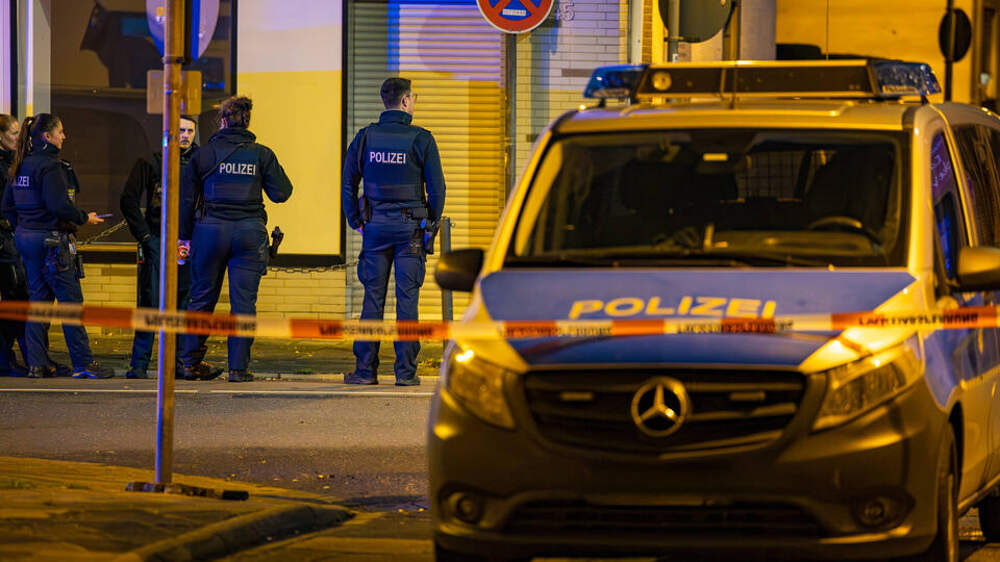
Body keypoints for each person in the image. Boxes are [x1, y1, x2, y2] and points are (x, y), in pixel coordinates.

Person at [178, 96, 292, 382]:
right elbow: (282, 193)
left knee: (201, 297)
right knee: (243, 304)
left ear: (223, 121)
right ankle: (239, 369)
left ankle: (190, 363)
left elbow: (186, 201)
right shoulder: (261, 154)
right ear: (247, 121)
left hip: (209, 232)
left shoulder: (203, 155)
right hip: (248, 233)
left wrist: (184, 237)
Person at [341, 77, 446, 386]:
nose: (414, 103)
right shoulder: (421, 139)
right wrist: (430, 222)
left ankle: (365, 371)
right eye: (413, 98)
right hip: (410, 231)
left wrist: (356, 220)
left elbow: (348, 184)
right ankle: (405, 373)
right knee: (407, 301)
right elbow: (437, 190)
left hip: (374, 229)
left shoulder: (365, 138)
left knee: (372, 300)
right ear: (404, 101)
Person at [1, 114, 114, 378]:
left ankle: (37, 363)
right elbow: (59, 206)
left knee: (38, 302)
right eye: (60, 132)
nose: (64, 136)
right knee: (70, 302)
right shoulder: (51, 166)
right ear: (47, 136)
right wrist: (84, 217)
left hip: (26, 240)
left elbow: (7, 207)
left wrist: (25, 227)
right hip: (52, 242)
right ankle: (83, 363)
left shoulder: (20, 164)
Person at [120, 115, 198, 379]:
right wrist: (145, 237)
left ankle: (178, 365)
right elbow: (128, 200)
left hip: (186, 242)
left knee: (182, 304)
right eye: (181, 130)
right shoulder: (151, 162)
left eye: (190, 131)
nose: (185, 136)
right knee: (149, 302)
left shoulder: (199, 162)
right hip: (156, 239)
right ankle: (139, 365)